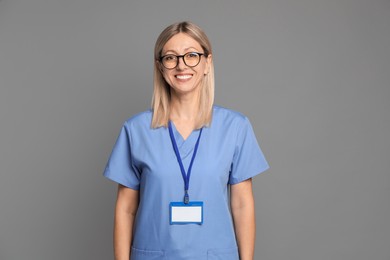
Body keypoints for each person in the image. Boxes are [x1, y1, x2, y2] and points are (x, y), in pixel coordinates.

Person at [103, 21, 269, 260]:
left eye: (191, 55)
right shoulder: (136, 130)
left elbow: (242, 205)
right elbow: (125, 209)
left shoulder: (235, 127)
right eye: (171, 58)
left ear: (207, 63)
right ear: (160, 67)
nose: (181, 65)